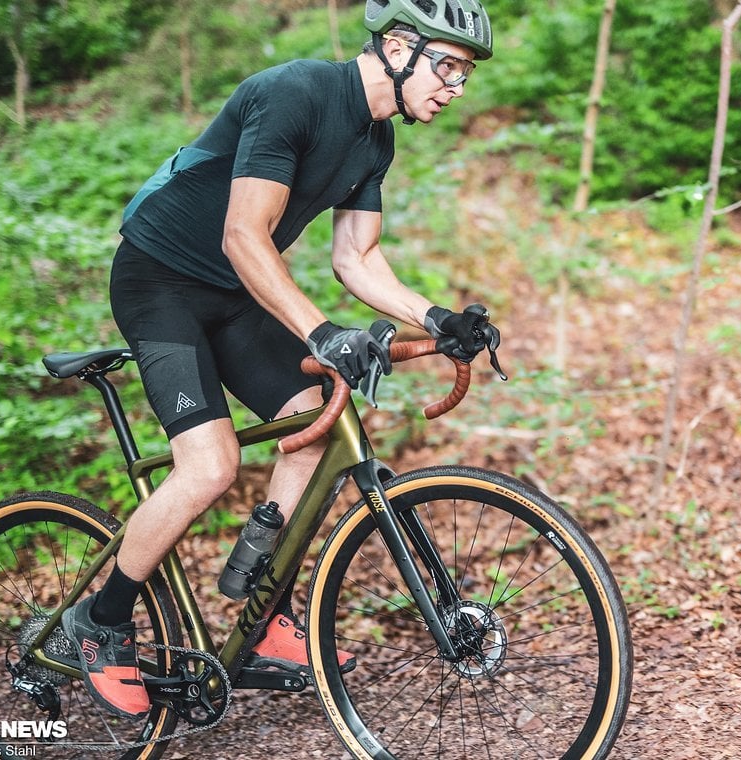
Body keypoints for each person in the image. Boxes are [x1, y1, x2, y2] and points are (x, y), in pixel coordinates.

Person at [61, 0, 500, 719]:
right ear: (398, 46)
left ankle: (260, 608)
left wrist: (438, 318)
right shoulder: (293, 93)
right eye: (448, 66)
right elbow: (243, 234)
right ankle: (101, 618)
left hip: (236, 295)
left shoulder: (376, 140)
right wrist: (322, 333)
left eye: (465, 74)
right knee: (210, 465)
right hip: (160, 281)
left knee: (317, 424)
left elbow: (356, 258)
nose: (456, 87)